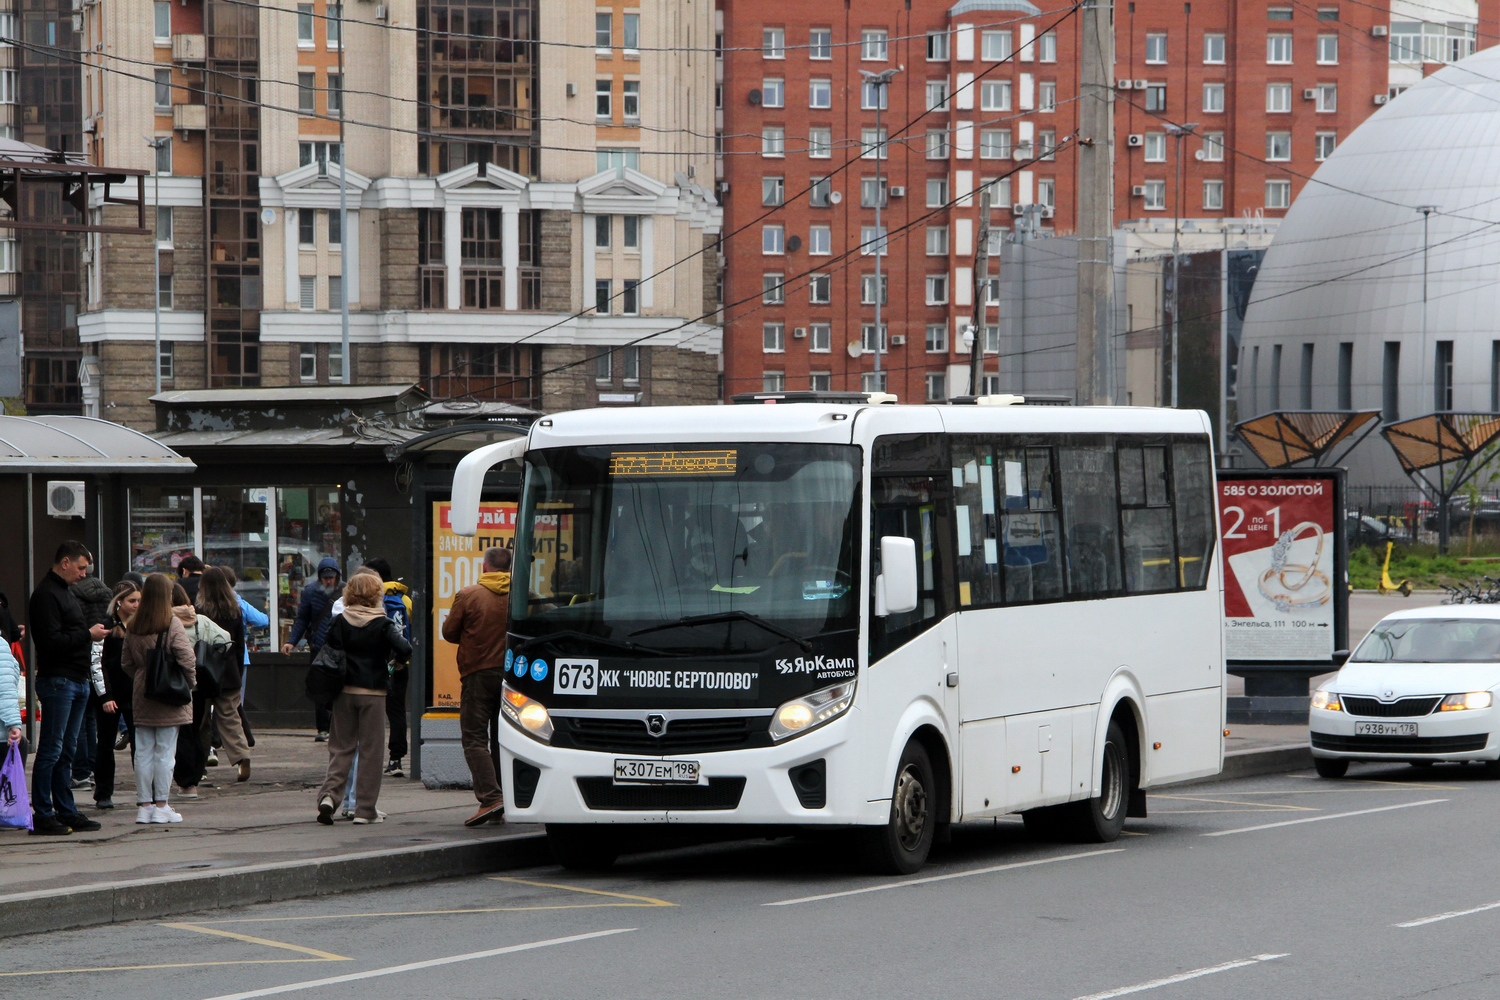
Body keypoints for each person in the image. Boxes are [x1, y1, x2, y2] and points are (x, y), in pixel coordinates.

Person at [27, 541, 109, 836]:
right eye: (81, 567)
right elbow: (51, 642)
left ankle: (65, 809)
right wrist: (87, 634)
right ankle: (44, 813)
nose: (84, 574)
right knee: (52, 749)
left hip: (76, 679)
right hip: (59, 680)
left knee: (67, 750)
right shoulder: (47, 595)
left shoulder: (65, 592)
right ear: (65, 562)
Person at [315, 572, 410, 825]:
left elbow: (327, 649)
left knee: (341, 747)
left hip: (343, 691)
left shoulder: (339, 621)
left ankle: (329, 797)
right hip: (373, 693)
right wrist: (395, 664)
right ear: (376, 594)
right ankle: (365, 810)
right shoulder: (383, 623)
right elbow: (405, 648)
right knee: (370, 751)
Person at [441, 546, 512, 827]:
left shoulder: (469, 595)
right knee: (503, 739)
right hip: (511, 676)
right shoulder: (520, 594)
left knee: (473, 738)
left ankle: (491, 798)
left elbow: (449, 633)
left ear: (485, 568)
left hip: (477, 673)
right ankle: (505, 795)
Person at [122, 574, 196, 824]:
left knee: (142, 751)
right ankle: (162, 805)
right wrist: (189, 683)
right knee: (165, 752)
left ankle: (144, 806)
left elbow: (126, 663)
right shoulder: (171, 623)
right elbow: (187, 657)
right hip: (169, 695)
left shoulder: (133, 624)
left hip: (143, 693)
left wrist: (143, 677)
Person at [168, 583, 229, 797]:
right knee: (197, 731)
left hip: (175, 686)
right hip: (200, 686)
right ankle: (194, 778)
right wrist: (210, 654)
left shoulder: (166, 621)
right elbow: (226, 639)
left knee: (180, 734)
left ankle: (185, 781)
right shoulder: (200, 620)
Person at [194, 568, 253, 783]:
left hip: (204, 669)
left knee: (200, 720)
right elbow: (239, 646)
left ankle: (199, 765)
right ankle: (241, 756)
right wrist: (236, 670)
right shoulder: (235, 610)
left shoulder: (199, 609)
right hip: (228, 672)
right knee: (230, 717)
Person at [356, 558, 413, 778]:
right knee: (396, 710)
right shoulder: (404, 599)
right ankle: (396, 759)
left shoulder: (371, 600)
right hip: (399, 663)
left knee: (372, 713)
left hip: (375, 664)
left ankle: (370, 759)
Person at [93, 581, 141, 810]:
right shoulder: (106, 626)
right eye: (132, 601)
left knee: (140, 745)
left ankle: (146, 791)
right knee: (105, 744)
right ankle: (103, 792)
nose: (137, 605)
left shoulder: (141, 625)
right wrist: (105, 696)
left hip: (135, 694)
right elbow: (98, 664)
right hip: (111, 694)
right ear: (119, 601)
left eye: (140, 601)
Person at [284, 557, 342, 741]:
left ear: (337, 576)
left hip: (340, 647)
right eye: (325, 577)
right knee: (319, 686)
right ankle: (322, 728)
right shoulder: (310, 592)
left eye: (331, 577)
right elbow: (302, 619)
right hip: (318, 645)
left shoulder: (346, 590)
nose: (328, 580)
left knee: (339, 687)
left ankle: (337, 726)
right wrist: (291, 641)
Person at [70, 570, 113, 793]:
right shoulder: (107, 594)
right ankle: (93, 767)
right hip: (101, 657)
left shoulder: (73, 594)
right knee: (92, 721)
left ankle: (81, 772)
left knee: (80, 722)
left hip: (82, 655)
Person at [218, 566, 267, 750]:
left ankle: (214, 739)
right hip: (238, 658)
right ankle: (237, 739)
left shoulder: (203, 603)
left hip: (208, 658)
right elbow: (263, 620)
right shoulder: (238, 602)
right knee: (235, 701)